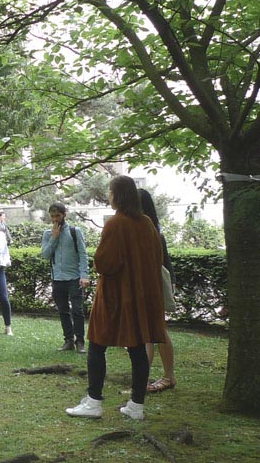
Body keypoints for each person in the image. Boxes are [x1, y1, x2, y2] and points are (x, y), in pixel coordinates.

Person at [66, 175, 167, 421]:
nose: (109, 196)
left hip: (115, 294)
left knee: (97, 344)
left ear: (117, 195)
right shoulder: (147, 223)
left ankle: (94, 401)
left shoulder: (116, 223)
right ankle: (136, 405)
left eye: (110, 192)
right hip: (140, 295)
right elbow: (156, 260)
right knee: (137, 348)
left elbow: (104, 262)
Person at [139, 189, 178, 394]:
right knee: (154, 331)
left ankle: (157, 378)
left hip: (151, 287)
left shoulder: (150, 231)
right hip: (149, 286)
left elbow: (164, 261)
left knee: (152, 332)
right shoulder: (151, 228)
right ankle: (163, 377)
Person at [41, 202, 90, 353]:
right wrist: (54, 238)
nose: (55, 219)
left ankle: (80, 341)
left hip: (74, 278)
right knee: (63, 310)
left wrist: (84, 275)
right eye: (52, 216)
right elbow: (45, 255)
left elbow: (83, 255)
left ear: (64, 215)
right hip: (58, 279)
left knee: (77, 310)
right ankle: (68, 340)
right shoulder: (48, 234)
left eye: (58, 216)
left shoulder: (76, 232)